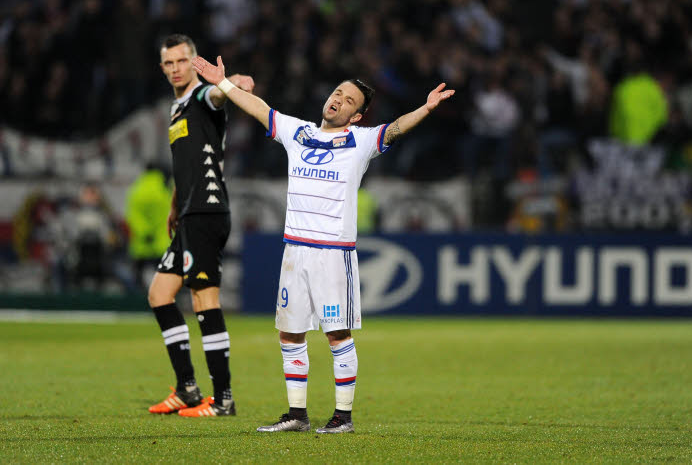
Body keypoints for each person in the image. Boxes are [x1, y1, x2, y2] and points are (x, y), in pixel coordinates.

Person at [193, 54, 454, 432]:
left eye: (349, 101)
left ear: (356, 116)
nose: (338, 100)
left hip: (333, 254)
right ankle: (297, 415)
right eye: (337, 93)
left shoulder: (361, 141)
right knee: (289, 333)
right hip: (294, 251)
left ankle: (343, 417)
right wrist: (224, 83)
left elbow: (395, 129)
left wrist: (426, 109)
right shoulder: (297, 132)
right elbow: (259, 108)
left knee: (337, 334)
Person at [147, 34, 254, 418]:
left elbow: (218, 95)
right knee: (160, 294)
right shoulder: (177, 109)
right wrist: (175, 203)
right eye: (169, 63)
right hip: (190, 212)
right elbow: (188, 163)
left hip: (207, 212)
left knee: (204, 300)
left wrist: (232, 82)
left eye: (182, 61)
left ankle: (223, 398)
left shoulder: (201, 97)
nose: (176, 68)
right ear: (163, 68)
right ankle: (187, 389)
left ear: (193, 62)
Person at [125, 162, 172, 290]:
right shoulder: (165, 189)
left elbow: (133, 216)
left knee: (138, 282)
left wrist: (144, 232)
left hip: (142, 244)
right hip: (162, 244)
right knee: (165, 282)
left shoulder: (137, 189)